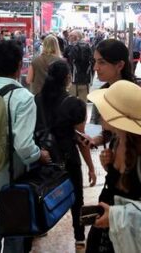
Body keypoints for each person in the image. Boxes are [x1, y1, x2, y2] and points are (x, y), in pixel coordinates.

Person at [0, 40, 51, 253]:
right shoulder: (23, 97)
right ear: (20, 64)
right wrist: (39, 155)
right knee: (14, 240)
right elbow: (23, 146)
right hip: (9, 182)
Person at [86, 80, 141, 253]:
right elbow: (124, 187)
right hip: (107, 237)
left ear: (117, 116)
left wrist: (116, 217)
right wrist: (110, 168)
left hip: (135, 243)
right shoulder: (117, 141)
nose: (100, 113)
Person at [35, 60, 96, 251]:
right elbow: (81, 139)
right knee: (77, 199)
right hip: (68, 158)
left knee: (40, 194)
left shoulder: (36, 100)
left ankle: (39, 229)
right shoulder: (75, 104)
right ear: (68, 78)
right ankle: (79, 238)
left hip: (42, 157)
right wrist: (91, 167)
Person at [90, 39, 141, 144]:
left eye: (102, 62)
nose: (95, 68)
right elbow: (111, 132)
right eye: (95, 61)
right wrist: (96, 140)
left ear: (120, 65)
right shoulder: (102, 96)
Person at [64, 30, 94, 103]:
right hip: (85, 80)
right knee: (83, 103)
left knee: (71, 103)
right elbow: (92, 63)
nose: (69, 37)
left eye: (71, 35)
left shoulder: (70, 48)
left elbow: (66, 63)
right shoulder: (88, 47)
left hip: (72, 80)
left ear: (76, 37)